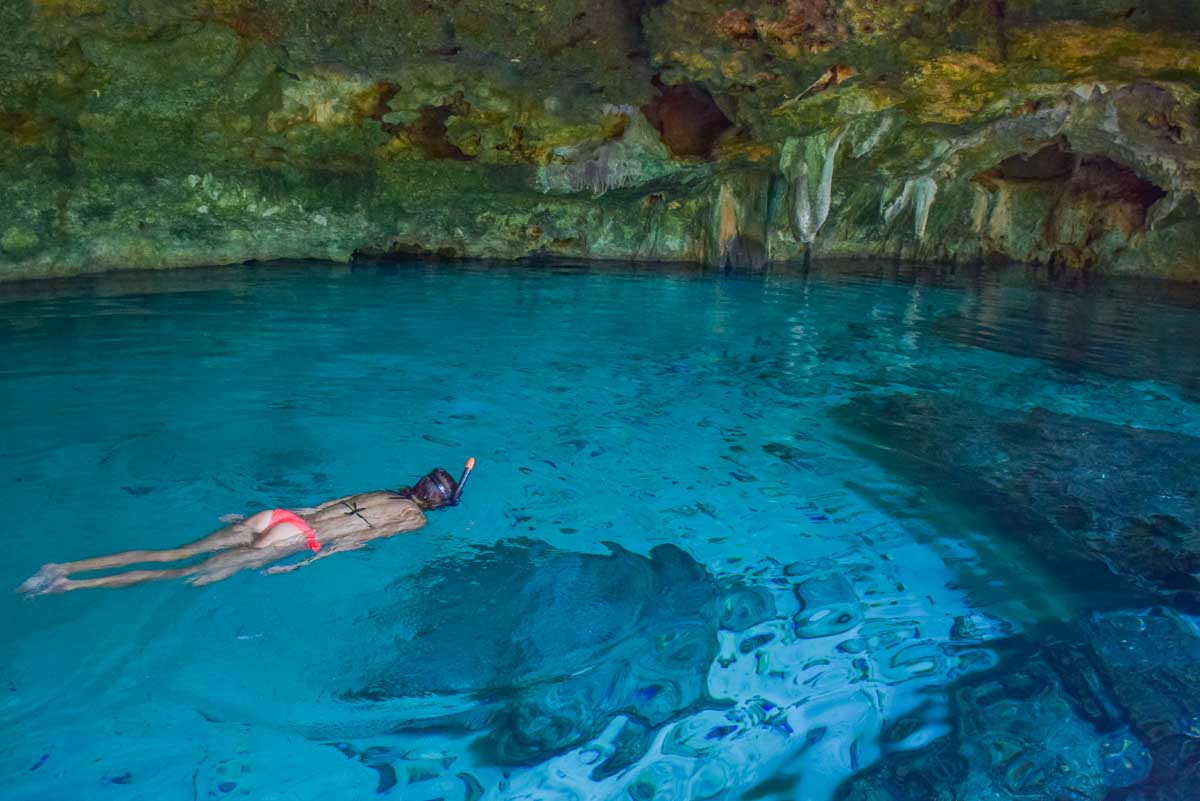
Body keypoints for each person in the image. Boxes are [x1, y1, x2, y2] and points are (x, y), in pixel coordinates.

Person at [16, 459, 476, 598]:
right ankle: (65, 586)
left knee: (169, 554)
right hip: (297, 540)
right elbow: (356, 540)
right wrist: (302, 567)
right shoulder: (411, 519)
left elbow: (317, 506)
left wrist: (246, 521)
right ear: (438, 505)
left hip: (280, 517)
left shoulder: (385, 491)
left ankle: (62, 564)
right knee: (178, 576)